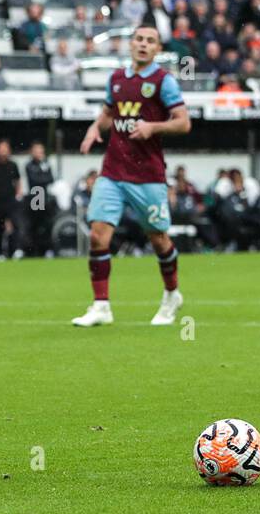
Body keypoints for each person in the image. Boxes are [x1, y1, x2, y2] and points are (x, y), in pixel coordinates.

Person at [72, 23, 191, 327]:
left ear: (157, 49)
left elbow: (183, 124)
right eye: (139, 39)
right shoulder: (115, 79)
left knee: (159, 239)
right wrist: (92, 129)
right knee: (98, 236)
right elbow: (110, 113)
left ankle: (171, 294)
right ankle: (101, 306)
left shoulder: (164, 82)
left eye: (150, 41)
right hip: (113, 171)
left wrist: (153, 127)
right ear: (131, 44)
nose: (143, 44)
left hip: (148, 175)